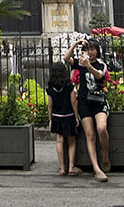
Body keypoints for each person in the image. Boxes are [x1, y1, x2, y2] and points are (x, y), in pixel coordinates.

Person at [65, 38, 110, 182]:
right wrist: (76, 43)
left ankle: (104, 153)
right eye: (88, 49)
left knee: (101, 128)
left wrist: (88, 66)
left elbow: (99, 75)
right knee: (90, 135)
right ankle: (97, 168)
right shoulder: (80, 63)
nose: (90, 52)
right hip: (84, 103)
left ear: (97, 50)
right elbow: (66, 58)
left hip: (98, 101)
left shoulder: (101, 64)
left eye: (93, 49)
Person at [47, 61, 81, 176]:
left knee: (59, 140)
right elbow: (73, 102)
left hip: (56, 117)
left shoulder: (50, 87)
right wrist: (76, 116)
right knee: (72, 141)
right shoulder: (69, 86)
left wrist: (50, 119)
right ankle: (71, 167)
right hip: (68, 116)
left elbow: (50, 105)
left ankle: (62, 168)